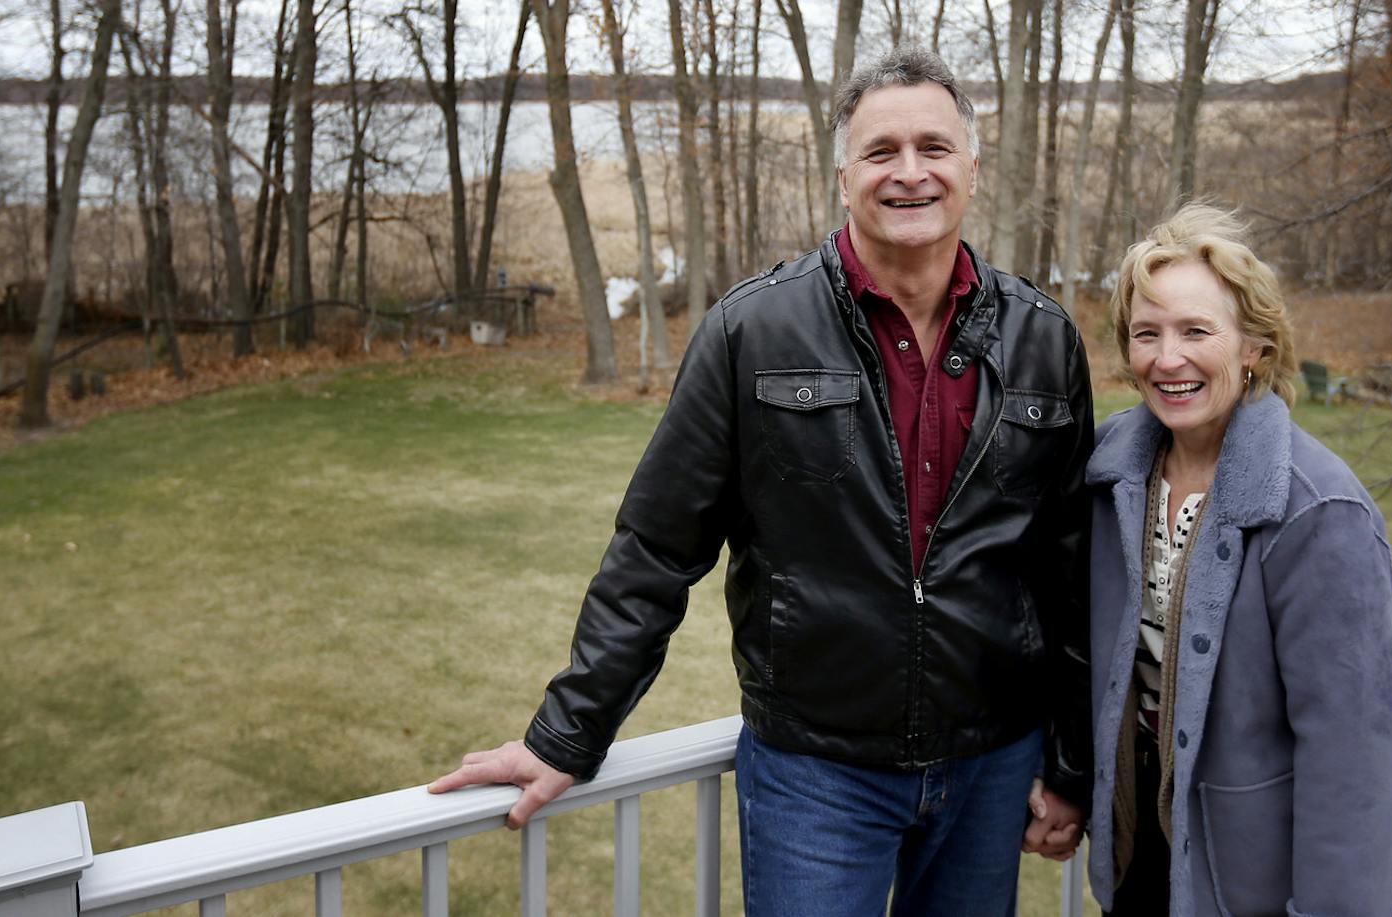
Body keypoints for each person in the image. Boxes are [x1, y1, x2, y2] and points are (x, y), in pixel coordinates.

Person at [431, 46, 1097, 914]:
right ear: (842, 176)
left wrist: (1071, 761)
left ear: (972, 166)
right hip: (818, 776)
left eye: (934, 147)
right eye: (880, 151)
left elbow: (1074, 569)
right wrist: (569, 731)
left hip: (991, 765)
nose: (909, 173)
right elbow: (656, 546)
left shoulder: (1044, 339)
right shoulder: (753, 332)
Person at [1082, 205, 1392, 915]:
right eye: (1147, 333)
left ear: (1254, 347)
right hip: (1138, 851)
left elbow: (1352, 757)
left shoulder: (1319, 513)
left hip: (1250, 882)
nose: (1167, 358)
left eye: (1196, 331)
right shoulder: (1111, 476)